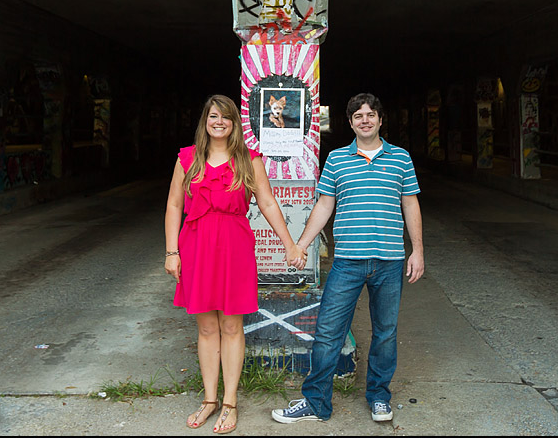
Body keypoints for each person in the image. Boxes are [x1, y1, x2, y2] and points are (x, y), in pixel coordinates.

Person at [272, 93, 423, 425]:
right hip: (348, 261)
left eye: (371, 114)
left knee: (385, 332)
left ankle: (379, 398)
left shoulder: (401, 159)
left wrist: (418, 251)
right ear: (350, 122)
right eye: (358, 116)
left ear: (381, 120)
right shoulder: (337, 160)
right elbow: (325, 205)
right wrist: (301, 245)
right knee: (328, 332)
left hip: (389, 261)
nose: (365, 120)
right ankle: (316, 402)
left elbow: (410, 204)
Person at [165, 94, 304, 434]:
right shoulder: (188, 159)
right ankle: (209, 400)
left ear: (234, 123)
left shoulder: (248, 159)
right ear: (205, 120)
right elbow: (173, 206)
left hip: (234, 249)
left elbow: (269, 204)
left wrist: (290, 245)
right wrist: (171, 252)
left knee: (231, 326)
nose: (219, 122)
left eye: (226, 117)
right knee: (206, 327)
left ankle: (229, 402)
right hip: (196, 247)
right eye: (214, 116)